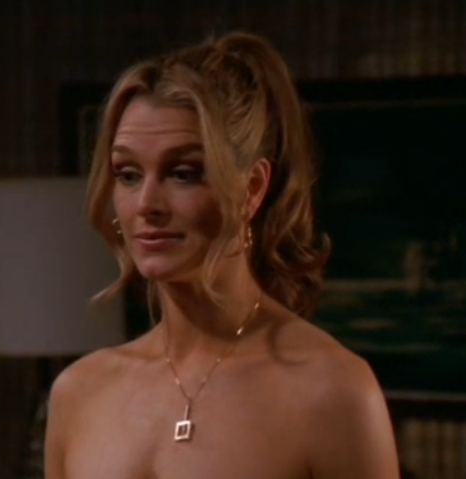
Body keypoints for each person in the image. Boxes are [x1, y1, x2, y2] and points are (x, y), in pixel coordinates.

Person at [45, 31, 400, 479]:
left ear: (252, 189)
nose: (146, 204)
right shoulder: (79, 393)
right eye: (128, 174)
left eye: (183, 173)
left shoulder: (332, 391)